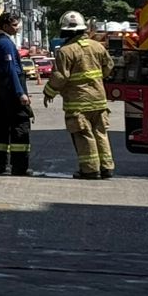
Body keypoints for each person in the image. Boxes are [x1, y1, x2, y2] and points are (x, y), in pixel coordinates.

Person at [43, 10, 115, 180]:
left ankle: (90, 170)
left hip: (78, 103)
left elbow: (60, 76)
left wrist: (49, 92)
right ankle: (107, 167)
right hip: (99, 100)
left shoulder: (65, 51)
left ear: (65, 31)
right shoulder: (98, 46)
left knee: (84, 135)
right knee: (100, 133)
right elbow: (109, 66)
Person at [0, 10, 31, 176]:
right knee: (20, 125)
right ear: (5, 25)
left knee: (0, 127)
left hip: (0, 86)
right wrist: (20, 92)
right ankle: (19, 167)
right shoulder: (5, 43)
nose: (17, 27)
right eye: (14, 25)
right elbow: (11, 68)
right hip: (11, 86)